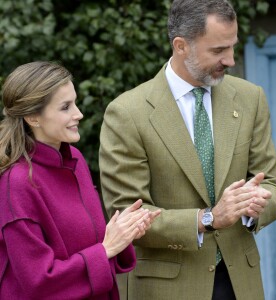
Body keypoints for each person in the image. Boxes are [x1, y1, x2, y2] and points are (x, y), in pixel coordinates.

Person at [99, 0, 276, 300]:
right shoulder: (127, 112)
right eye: (217, 50)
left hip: (241, 282)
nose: (229, 60)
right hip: (165, 288)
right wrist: (208, 218)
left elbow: (275, 186)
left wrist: (257, 203)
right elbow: (127, 215)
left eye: (232, 47)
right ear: (180, 46)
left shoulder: (250, 98)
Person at [0, 61, 161, 300]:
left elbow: (92, 245)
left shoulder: (74, 159)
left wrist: (122, 233)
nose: (79, 114)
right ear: (33, 117)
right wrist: (107, 248)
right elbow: (38, 282)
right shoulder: (17, 183)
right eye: (65, 107)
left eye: (74, 102)